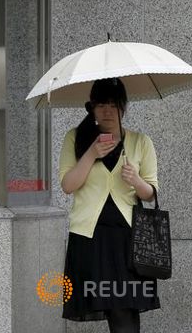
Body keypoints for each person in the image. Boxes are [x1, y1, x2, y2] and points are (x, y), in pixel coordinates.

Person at [59, 78, 160, 333]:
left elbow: (150, 193)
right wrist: (91, 153)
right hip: (89, 239)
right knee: (103, 305)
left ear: (123, 107)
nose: (107, 110)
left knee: (124, 313)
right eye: (101, 104)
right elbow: (68, 185)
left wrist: (136, 180)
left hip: (127, 241)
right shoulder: (75, 138)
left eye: (114, 104)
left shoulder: (140, 142)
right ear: (91, 108)